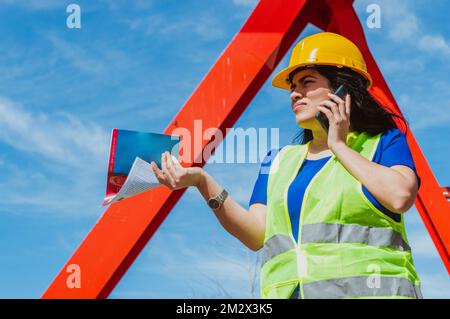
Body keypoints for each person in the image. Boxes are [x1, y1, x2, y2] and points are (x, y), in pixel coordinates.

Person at [150, 32, 422, 299]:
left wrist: (338, 144)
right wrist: (202, 182)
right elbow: (255, 235)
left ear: (343, 89)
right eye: (293, 87)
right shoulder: (278, 161)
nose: (294, 94)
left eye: (307, 82)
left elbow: (400, 196)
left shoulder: (382, 142)